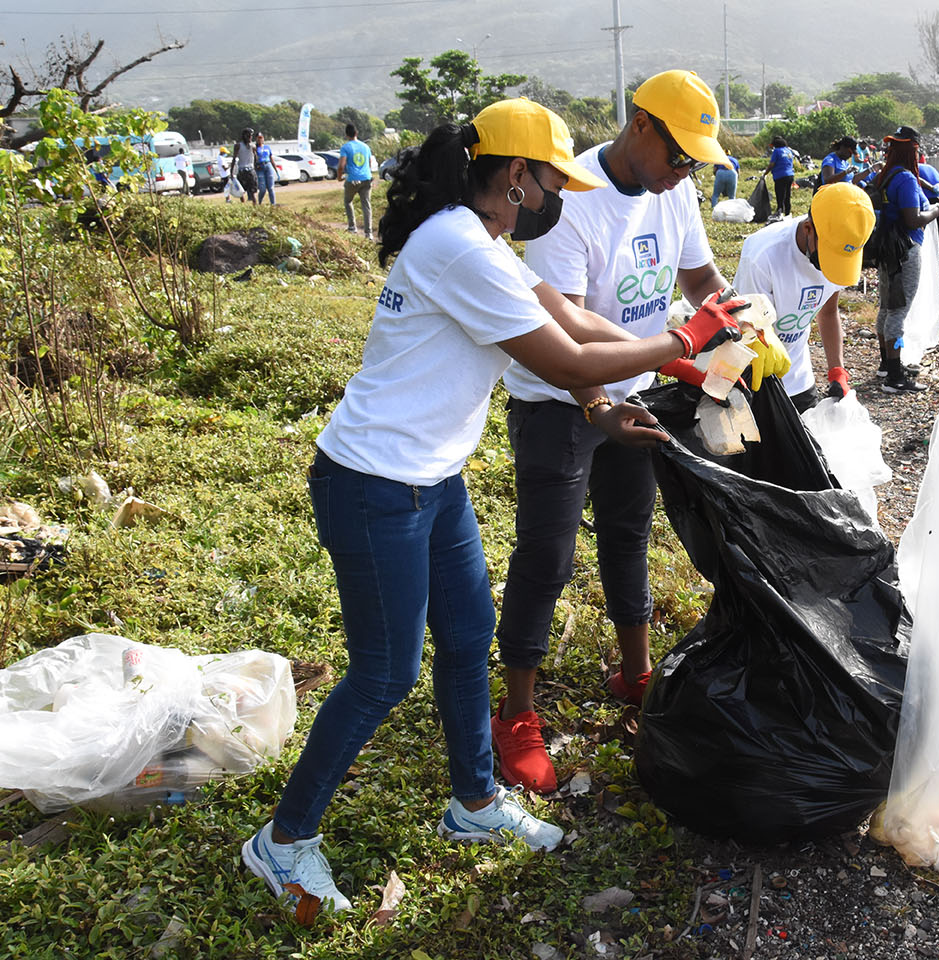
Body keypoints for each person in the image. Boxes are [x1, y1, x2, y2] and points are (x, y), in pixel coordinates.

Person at [240, 98, 748, 916]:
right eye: (552, 180)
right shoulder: (456, 246)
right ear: (517, 176)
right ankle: (283, 841)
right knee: (383, 674)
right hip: (373, 484)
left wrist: (599, 407)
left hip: (430, 481)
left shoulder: (481, 240)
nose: (556, 196)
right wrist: (685, 343)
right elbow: (569, 350)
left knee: (470, 635)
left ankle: (474, 803)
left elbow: (569, 319)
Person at [493, 70, 789, 795]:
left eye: (696, 161)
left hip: (632, 388)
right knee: (548, 556)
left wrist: (740, 323)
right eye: (678, 155)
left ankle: (636, 672)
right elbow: (561, 332)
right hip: (561, 401)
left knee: (629, 534)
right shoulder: (570, 203)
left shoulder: (675, 190)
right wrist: (598, 406)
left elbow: (699, 284)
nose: (684, 172)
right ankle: (516, 715)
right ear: (640, 126)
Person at [732, 182, 876, 411]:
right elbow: (747, 328)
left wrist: (837, 370)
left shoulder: (840, 242)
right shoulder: (763, 256)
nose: (828, 268)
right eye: (826, 257)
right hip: (755, 379)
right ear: (808, 228)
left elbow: (828, 313)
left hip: (798, 378)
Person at [870, 125, 939, 393]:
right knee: (898, 311)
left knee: (887, 306)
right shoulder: (905, 179)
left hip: (886, 248)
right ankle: (895, 378)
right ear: (912, 150)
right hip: (905, 249)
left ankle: (887, 364)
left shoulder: (886, 175)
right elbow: (913, 219)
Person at [339, 123, 374, 240]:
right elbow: (369, 163)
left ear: (346, 134)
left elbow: (341, 165)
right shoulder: (366, 147)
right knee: (366, 205)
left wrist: (340, 177)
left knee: (348, 201)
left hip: (352, 180)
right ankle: (369, 233)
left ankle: (352, 228)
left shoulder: (345, 147)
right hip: (366, 178)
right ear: (356, 133)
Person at [764, 135, 796, 216]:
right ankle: (788, 212)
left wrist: (765, 173)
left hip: (780, 176)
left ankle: (780, 210)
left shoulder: (777, 151)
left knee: (780, 194)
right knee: (787, 194)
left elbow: (772, 164)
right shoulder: (789, 151)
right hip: (790, 175)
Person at [229, 128, 258, 204]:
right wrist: (231, 172)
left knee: (245, 192)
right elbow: (234, 159)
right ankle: (248, 205)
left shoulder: (251, 146)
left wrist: (231, 172)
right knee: (244, 192)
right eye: (249, 136)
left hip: (245, 171)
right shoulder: (246, 146)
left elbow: (234, 159)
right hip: (248, 171)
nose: (250, 137)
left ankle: (248, 206)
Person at [254, 132, 278, 206]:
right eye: (258, 138)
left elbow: (271, 158)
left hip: (268, 165)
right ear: (256, 139)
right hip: (260, 167)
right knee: (262, 189)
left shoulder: (267, 147)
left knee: (271, 188)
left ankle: (273, 204)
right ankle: (260, 202)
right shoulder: (254, 148)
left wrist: (275, 169)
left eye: (261, 138)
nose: (260, 140)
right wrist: (255, 166)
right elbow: (253, 159)